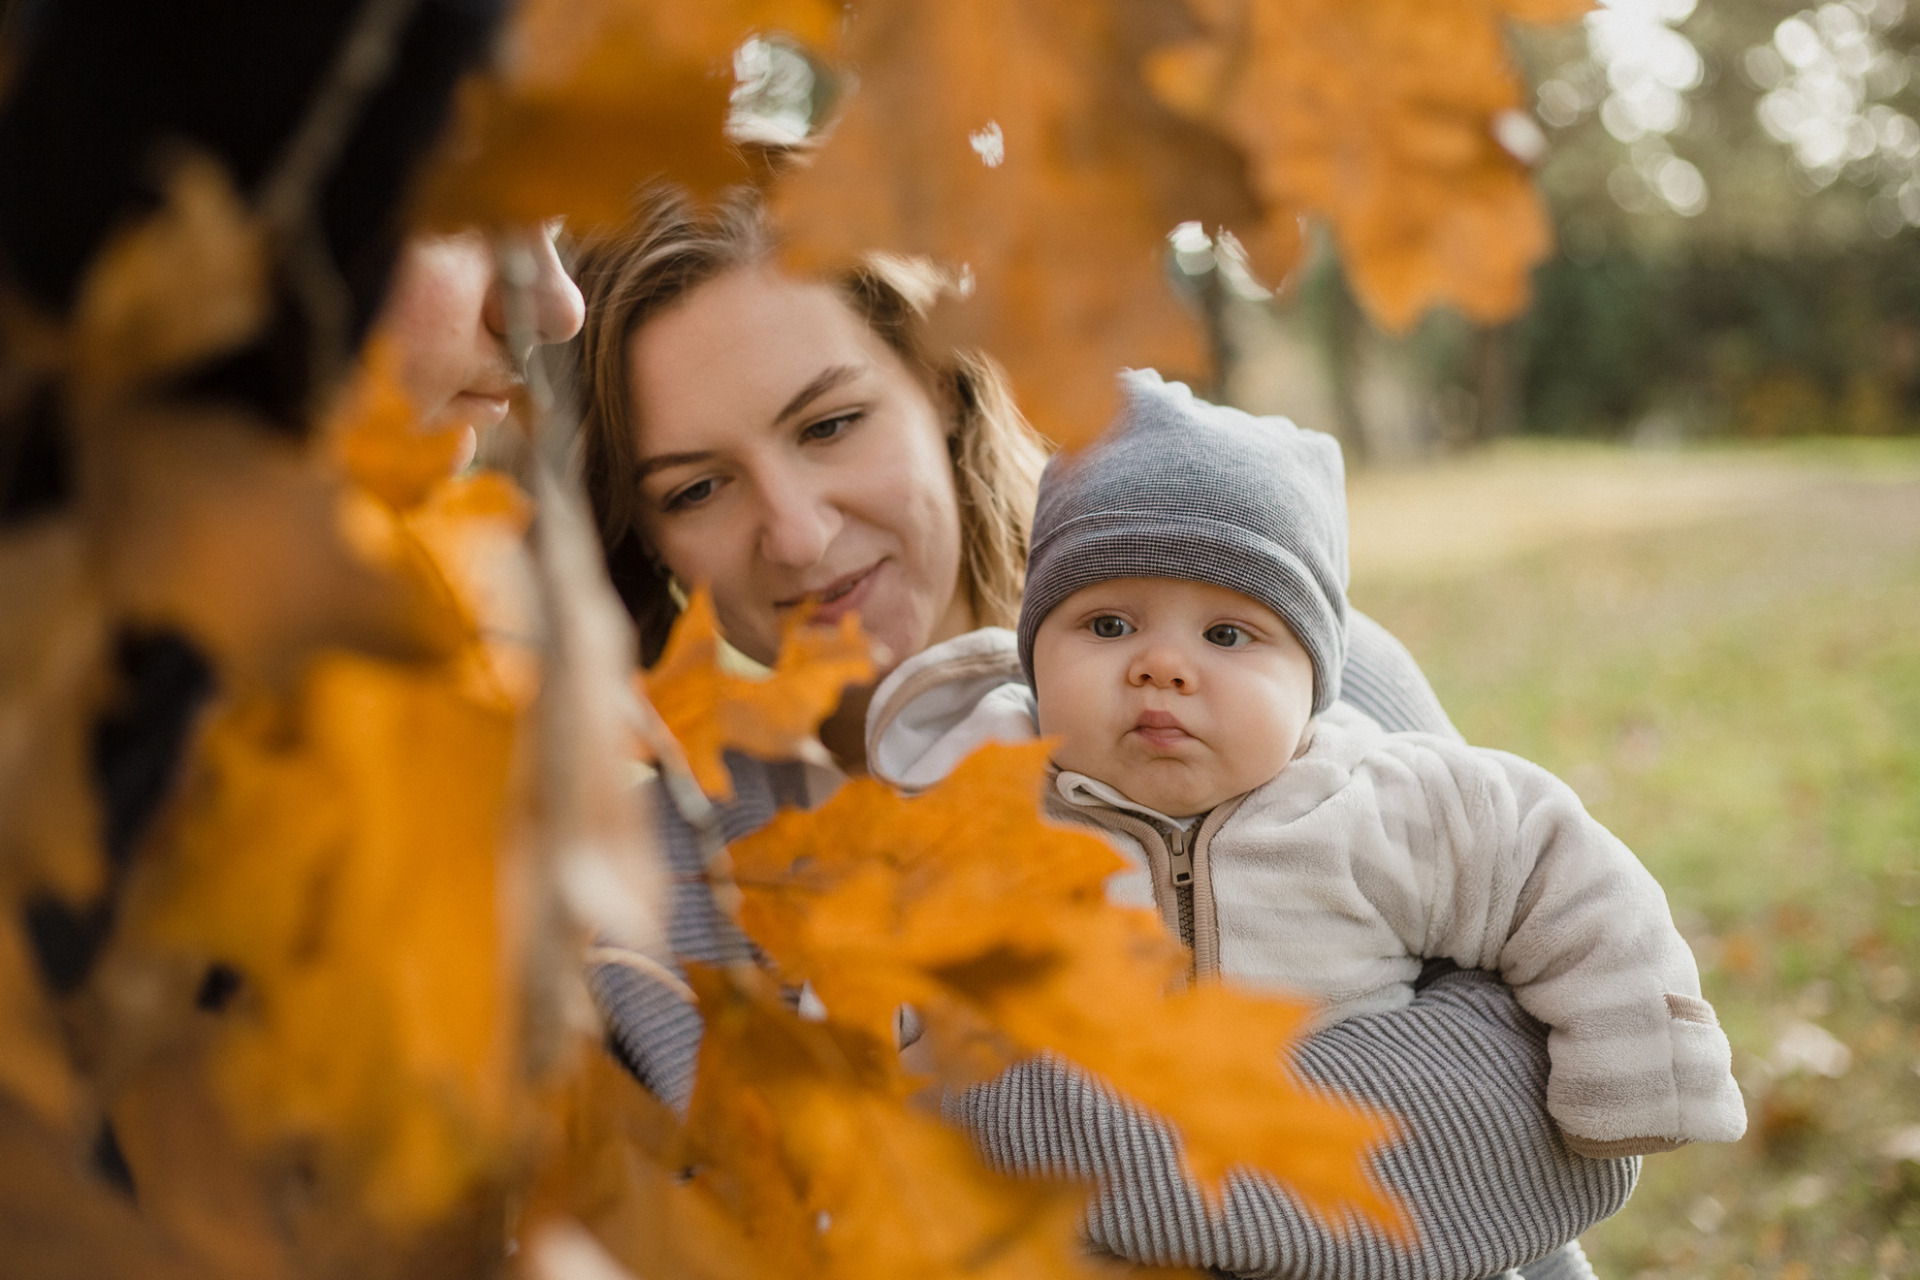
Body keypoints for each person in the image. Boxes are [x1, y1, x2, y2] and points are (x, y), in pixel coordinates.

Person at [571, 184, 1637, 1280]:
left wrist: (963, 1114)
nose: (796, 533)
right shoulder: (659, 868)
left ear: (938, 384)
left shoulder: (1278, 674)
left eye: (832, 423)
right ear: (641, 537)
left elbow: (1546, 1126)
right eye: (698, 487)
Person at [867, 368, 1748, 1163]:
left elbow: (1561, 873)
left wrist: (1632, 1071)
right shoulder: (980, 804)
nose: (1161, 666)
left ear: (1315, 679)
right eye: (1107, 625)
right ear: (1029, 657)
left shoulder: (1383, 803)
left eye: (1227, 635)